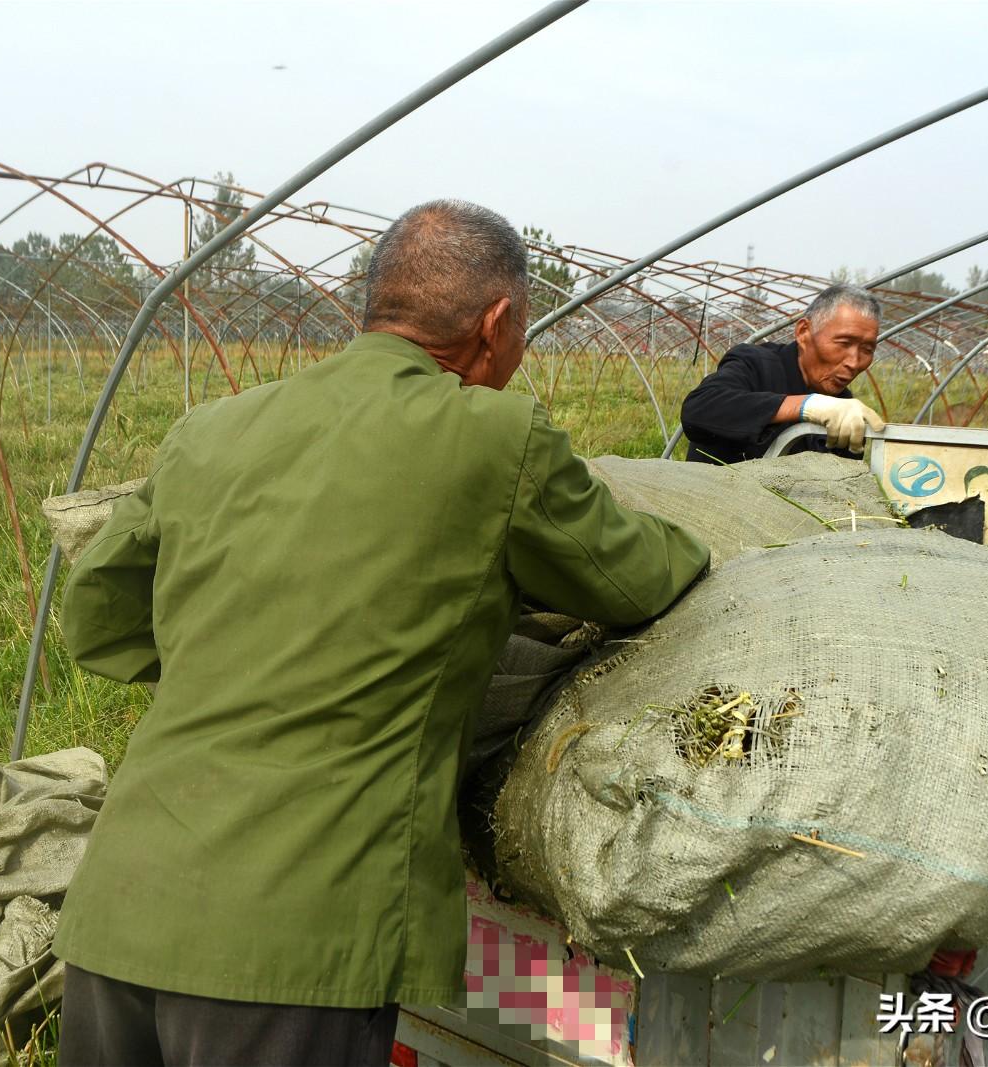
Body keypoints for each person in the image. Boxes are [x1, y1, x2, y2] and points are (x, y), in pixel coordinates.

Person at [50, 200, 710, 1067]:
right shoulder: (493, 436)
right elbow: (632, 576)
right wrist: (702, 531)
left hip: (122, 909)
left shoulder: (209, 431)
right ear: (497, 323)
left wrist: (238, 651)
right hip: (295, 936)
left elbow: (97, 615)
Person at [680, 284, 887, 464]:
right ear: (803, 332)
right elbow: (699, 408)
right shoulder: (756, 364)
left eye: (867, 350)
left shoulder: (841, 407)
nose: (854, 362)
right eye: (844, 343)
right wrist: (804, 406)